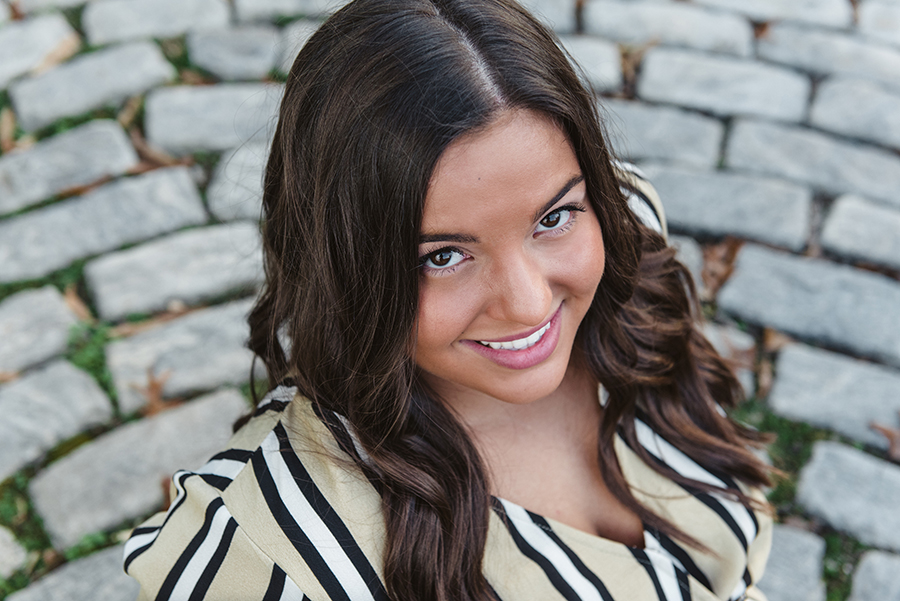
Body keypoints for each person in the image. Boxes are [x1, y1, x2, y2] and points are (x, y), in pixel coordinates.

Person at [123, 0, 774, 599]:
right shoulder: (268, 549)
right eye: (442, 256)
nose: (528, 303)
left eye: (552, 218)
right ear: (345, 266)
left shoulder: (629, 240)